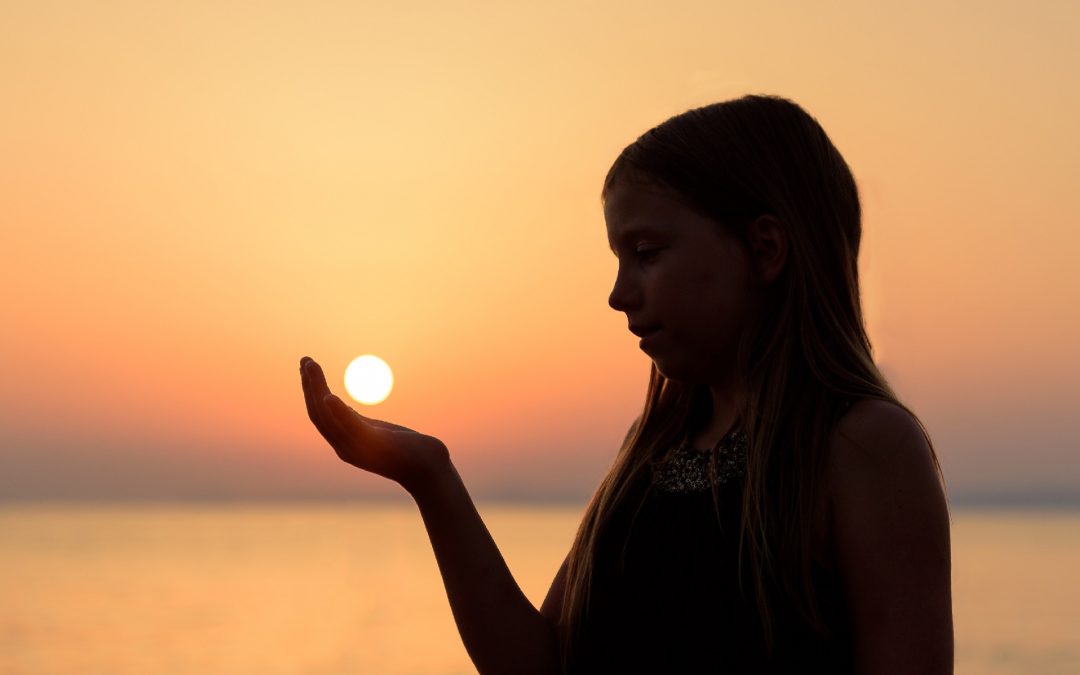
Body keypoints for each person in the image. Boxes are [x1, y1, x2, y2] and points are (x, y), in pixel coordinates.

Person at [299, 94, 953, 674]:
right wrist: (432, 476)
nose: (618, 295)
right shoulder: (653, 448)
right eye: (618, 259)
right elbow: (540, 663)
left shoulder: (863, 445)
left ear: (765, 250)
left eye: (646, 253)